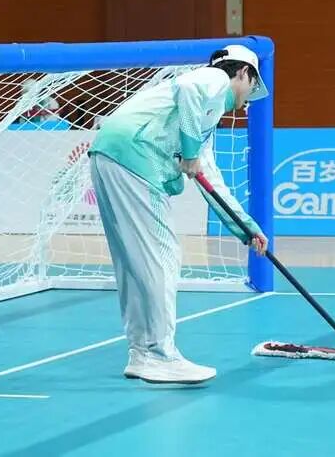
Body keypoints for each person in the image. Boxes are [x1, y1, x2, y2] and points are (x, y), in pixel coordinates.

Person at [88, 44, 270, 385]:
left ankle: (142, 354)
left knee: (135, 264)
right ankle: (159, 355)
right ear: (243, 73)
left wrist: (246, 229)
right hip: (136, 157)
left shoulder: (204, 121)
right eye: (252, 85)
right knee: (162, 256)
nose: (249, 97)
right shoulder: (213, 79)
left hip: (109, 154)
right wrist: (189, 153)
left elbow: (211, 180)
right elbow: (188, 91)